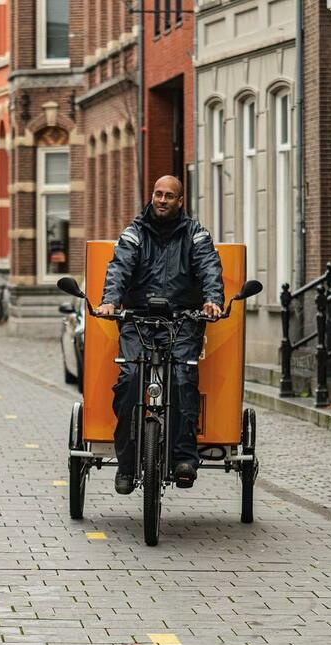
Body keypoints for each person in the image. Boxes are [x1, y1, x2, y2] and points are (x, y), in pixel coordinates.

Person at [96, 176, 224, 494]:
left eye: (169, 195)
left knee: (183, 379)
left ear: (181, 201)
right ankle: (126, 465)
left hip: (183, 320)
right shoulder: (134, 233)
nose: (161, 200)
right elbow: (119, 267)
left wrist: (212, 301)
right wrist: (111, 300)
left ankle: (184, 458)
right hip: (138, 319)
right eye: (157, 194)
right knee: (127, 382)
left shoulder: (196, 235)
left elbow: (209, 266)